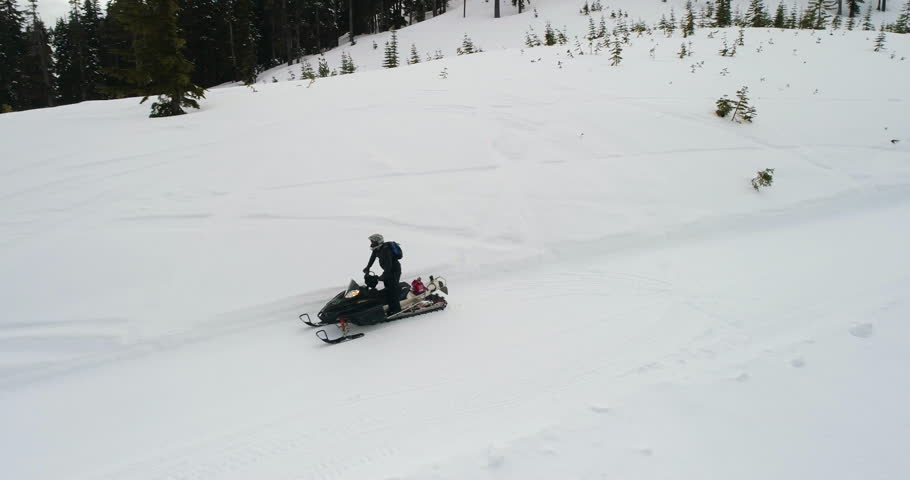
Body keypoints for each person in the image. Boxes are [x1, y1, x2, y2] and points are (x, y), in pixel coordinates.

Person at [363, 233, 401, 315]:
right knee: (387, 288)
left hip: (394, 270)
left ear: (378, 242)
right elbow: (372, 258)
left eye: (373, 242)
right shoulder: (377, 249)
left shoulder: (386, 250)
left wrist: (383, 276)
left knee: (392, 290)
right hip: (388, 270)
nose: (372, 243)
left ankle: (396, 309)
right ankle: (390, 305)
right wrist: (368, 267)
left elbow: (389, 266)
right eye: (371, 242)